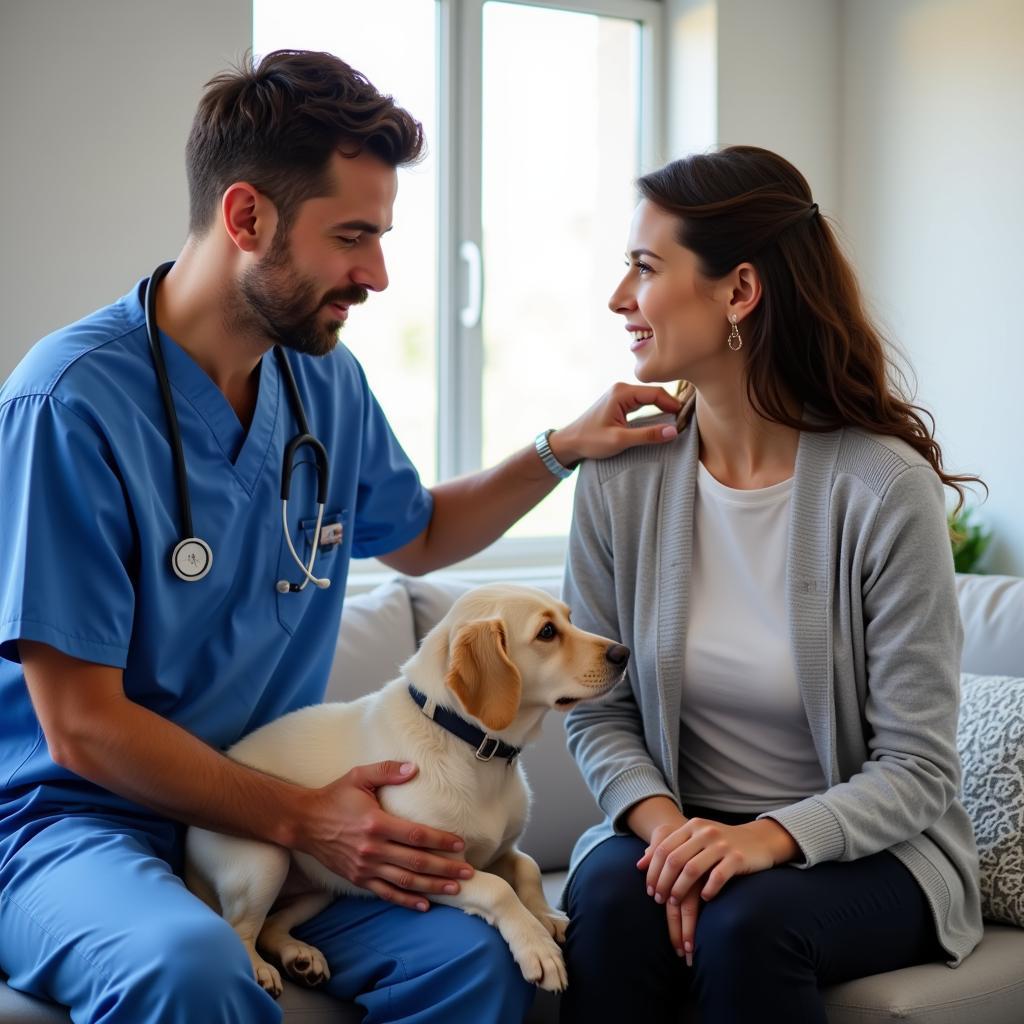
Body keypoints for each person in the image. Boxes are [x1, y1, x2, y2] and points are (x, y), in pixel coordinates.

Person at [0, 50, 682, 1024]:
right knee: (192, 967)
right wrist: (304, 816)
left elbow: (416, 534)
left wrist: (559, 448)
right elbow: (81, 725)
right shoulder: (67, 403)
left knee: (472, 964)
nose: (377, 274)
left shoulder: (324, 382)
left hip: (289, 818)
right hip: (82, 827)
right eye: (352, 236)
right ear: (246, 218)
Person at [558, 145, 984, 1024]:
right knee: (603, 903)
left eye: (645, 267)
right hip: (680, 825)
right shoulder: (619, 478)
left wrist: (767, 839)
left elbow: (918, 766)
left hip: (870, 848)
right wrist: (669, 832)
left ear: (739, 292)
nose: (618, 298)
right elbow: (599, 708)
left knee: (747, 924)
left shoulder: (882, 488)